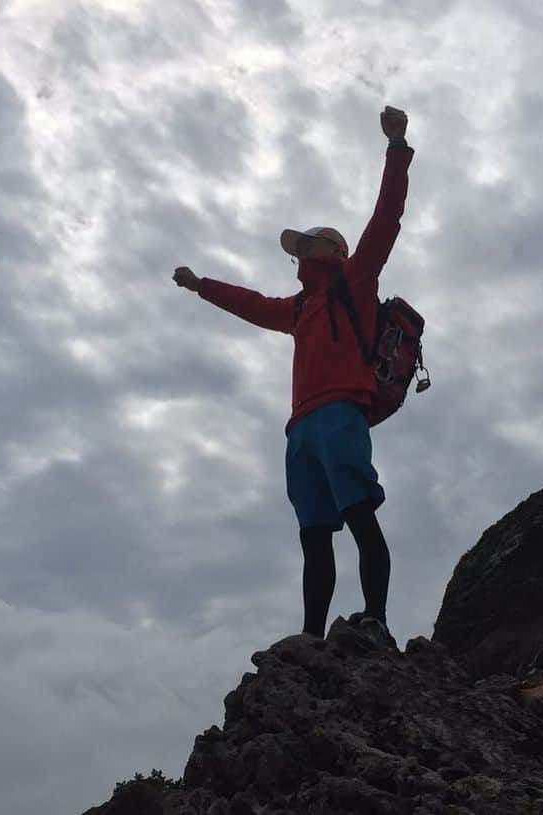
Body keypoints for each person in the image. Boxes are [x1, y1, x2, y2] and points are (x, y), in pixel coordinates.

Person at [172, 106, 414, 646]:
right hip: (300, 429)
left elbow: (386, 219)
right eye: (299, 246)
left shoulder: (356, 280)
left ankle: (375, 620)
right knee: (313, 536)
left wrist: (397, 148)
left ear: (335, 251)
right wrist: (201, 285)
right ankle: (310, 637)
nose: (301, 251)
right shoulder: (301, 306)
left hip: (341, 414)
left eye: (310, 243)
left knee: (358, 515)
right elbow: (254, 305)